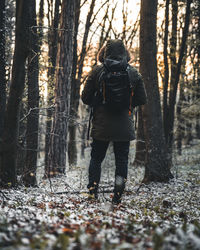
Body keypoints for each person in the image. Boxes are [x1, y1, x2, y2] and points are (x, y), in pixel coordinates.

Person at [81, 39, 147, 204]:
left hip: (101, 125)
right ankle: (117, 195)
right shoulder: (133, 73)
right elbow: (142, 98)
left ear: (104, 53)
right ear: (125, 53)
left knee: (96, 159)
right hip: (124, 125)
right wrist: (128, 105)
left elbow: (85, 98)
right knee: (122, 161)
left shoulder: (97, 71)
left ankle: (92, 192)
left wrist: (99, 100)